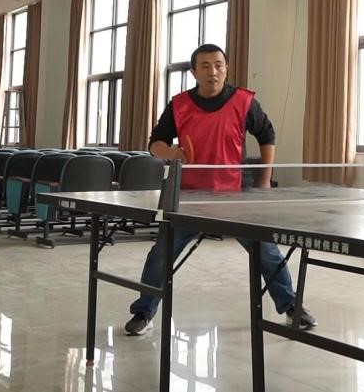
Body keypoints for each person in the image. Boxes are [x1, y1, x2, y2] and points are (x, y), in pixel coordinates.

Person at [124, 43, 316, 336]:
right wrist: (172, 153)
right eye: (205, 66)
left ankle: (291, 306)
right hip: (188, 198)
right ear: (194, 72)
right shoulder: (179, 105)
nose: (212, 72)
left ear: (226, 69)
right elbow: (155, 144)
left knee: (267, 253)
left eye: (218, 65)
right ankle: (143, 312)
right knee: (160, 255)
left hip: (235, 197)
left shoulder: (244, 101)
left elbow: (267, 134)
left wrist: (264, 179)